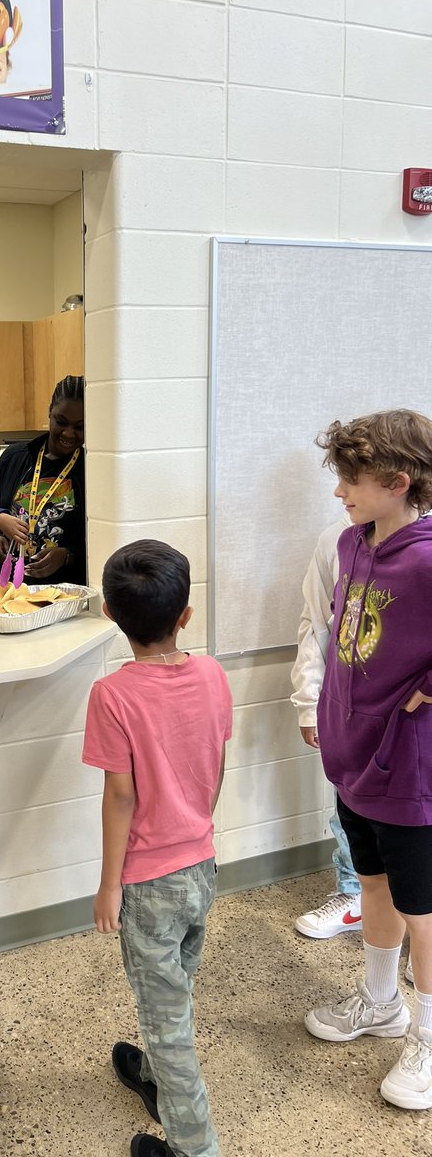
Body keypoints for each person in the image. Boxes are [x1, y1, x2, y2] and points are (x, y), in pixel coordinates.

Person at [84, 540, 232, 1157]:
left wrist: (109, 883)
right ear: (186, 614)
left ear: (114, 617)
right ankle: (153, 1076)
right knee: (175, 988)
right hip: (201, 864)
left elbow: (120, 797)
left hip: (148, 883)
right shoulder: (214, 673)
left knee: (167, 1016)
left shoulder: (113, 695)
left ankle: (193, 1146)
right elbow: (215, 762)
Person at [305, 409, 432, 1111]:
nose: (339, 491)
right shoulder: (352, 545)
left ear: (398, 481)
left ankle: (429, 1038)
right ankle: (381, 1003)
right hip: (354, 762)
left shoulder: (428, 557)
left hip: (411, 772)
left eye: (351, 479)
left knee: (426, 911)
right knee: (374, 886)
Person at [290, 516, 365, 938]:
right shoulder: (337, 539)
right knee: (350, 806)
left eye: (350, 478)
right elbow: (317, 623)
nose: (340, 491)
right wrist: (308, 699)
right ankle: (355, 895)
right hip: (352, 706)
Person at [0, 375, 86, 587]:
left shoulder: (91, 469)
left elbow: (99, 539)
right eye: (61, 422)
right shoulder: (13, 458)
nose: (68, 433)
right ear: (50, 413)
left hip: (65, 590)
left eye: (79, 427)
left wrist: (67, 555)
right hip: (10, 584)